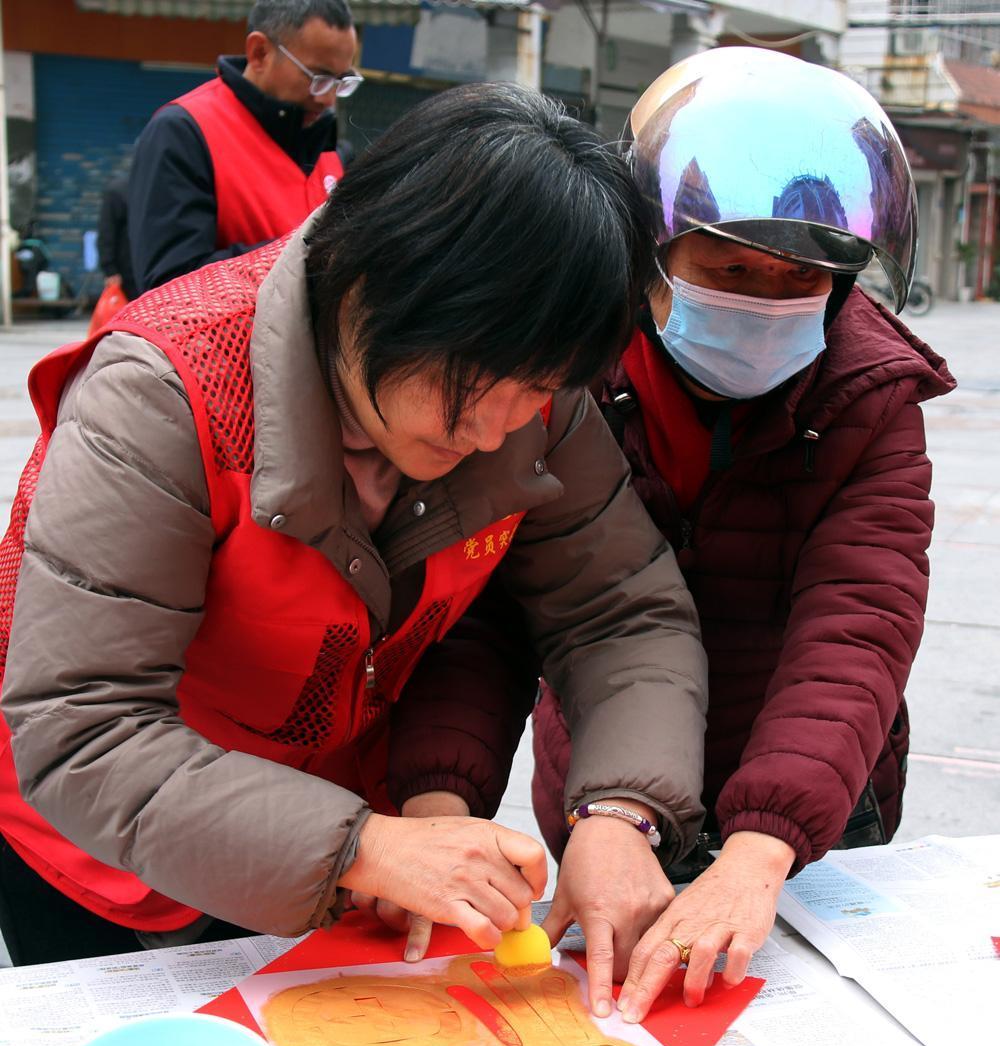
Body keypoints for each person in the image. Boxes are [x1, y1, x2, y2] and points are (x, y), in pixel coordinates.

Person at [0, 84, 707, 969]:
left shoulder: (526, 388)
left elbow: (619, 609)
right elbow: (82, 726)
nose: (496, 430)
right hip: (104, 856)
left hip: (332, 844)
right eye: (471, 383)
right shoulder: (164, 397)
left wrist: (620, 813)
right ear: (371, 283)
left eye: (538, 388)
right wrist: (361, 845)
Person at [523, 48, 955, 1021]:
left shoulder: (871, 396)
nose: (764, 299)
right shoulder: (569, 369)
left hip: (812, 796)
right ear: (653, 256)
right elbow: (492, 604)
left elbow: (858, 621)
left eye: (799, 278)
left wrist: (763, 848)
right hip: (604, 796)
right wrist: (450, 799)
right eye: (729, 270)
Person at [127, 0, 360, 294]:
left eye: (341, 81)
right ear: (259, 52)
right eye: (318, 78)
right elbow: (170, 286)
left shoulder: (333, 150)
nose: (328, 99)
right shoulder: (184, 133)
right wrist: (315, 254)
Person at [96, 172, 138, 301]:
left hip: (138, 269)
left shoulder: (119, 189)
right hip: (128, 272)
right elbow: (106, 232)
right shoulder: (119, 190)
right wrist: (110, 270)